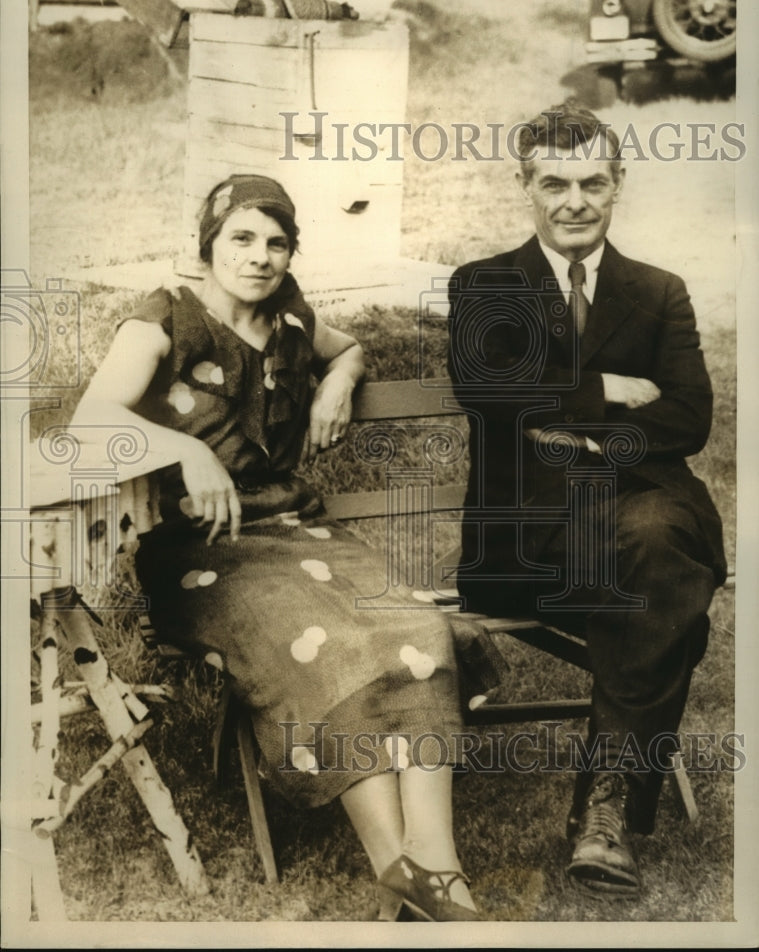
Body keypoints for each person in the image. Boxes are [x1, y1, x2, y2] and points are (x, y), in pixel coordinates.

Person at [72, 173, 489, 922]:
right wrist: (185, 451)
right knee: (326, 642)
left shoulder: (292, 317)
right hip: (204, 551)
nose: (259, 257)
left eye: (276, 242)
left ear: (291, 253)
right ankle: (395, 865)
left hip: (302, 531)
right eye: (241, 238)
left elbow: (349, 347)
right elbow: (91, 418)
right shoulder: (163, 320)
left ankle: (435, 865)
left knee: (418, 625)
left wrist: (340, 380)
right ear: (208, 245)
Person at [446, 102, 726, 897]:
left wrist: (580, 434)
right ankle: (609, 804)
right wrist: (606, 387)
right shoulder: (486, 284)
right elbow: (488, 388)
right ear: (525, 185)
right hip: (526, 542)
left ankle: (603, 812)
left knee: (653, 545)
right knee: (665, 582)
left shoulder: (657, 291)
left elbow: (688, 416)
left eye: (592, 183)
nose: (574, 201)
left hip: (642, 513)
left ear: (617, 184)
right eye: (555, 183)